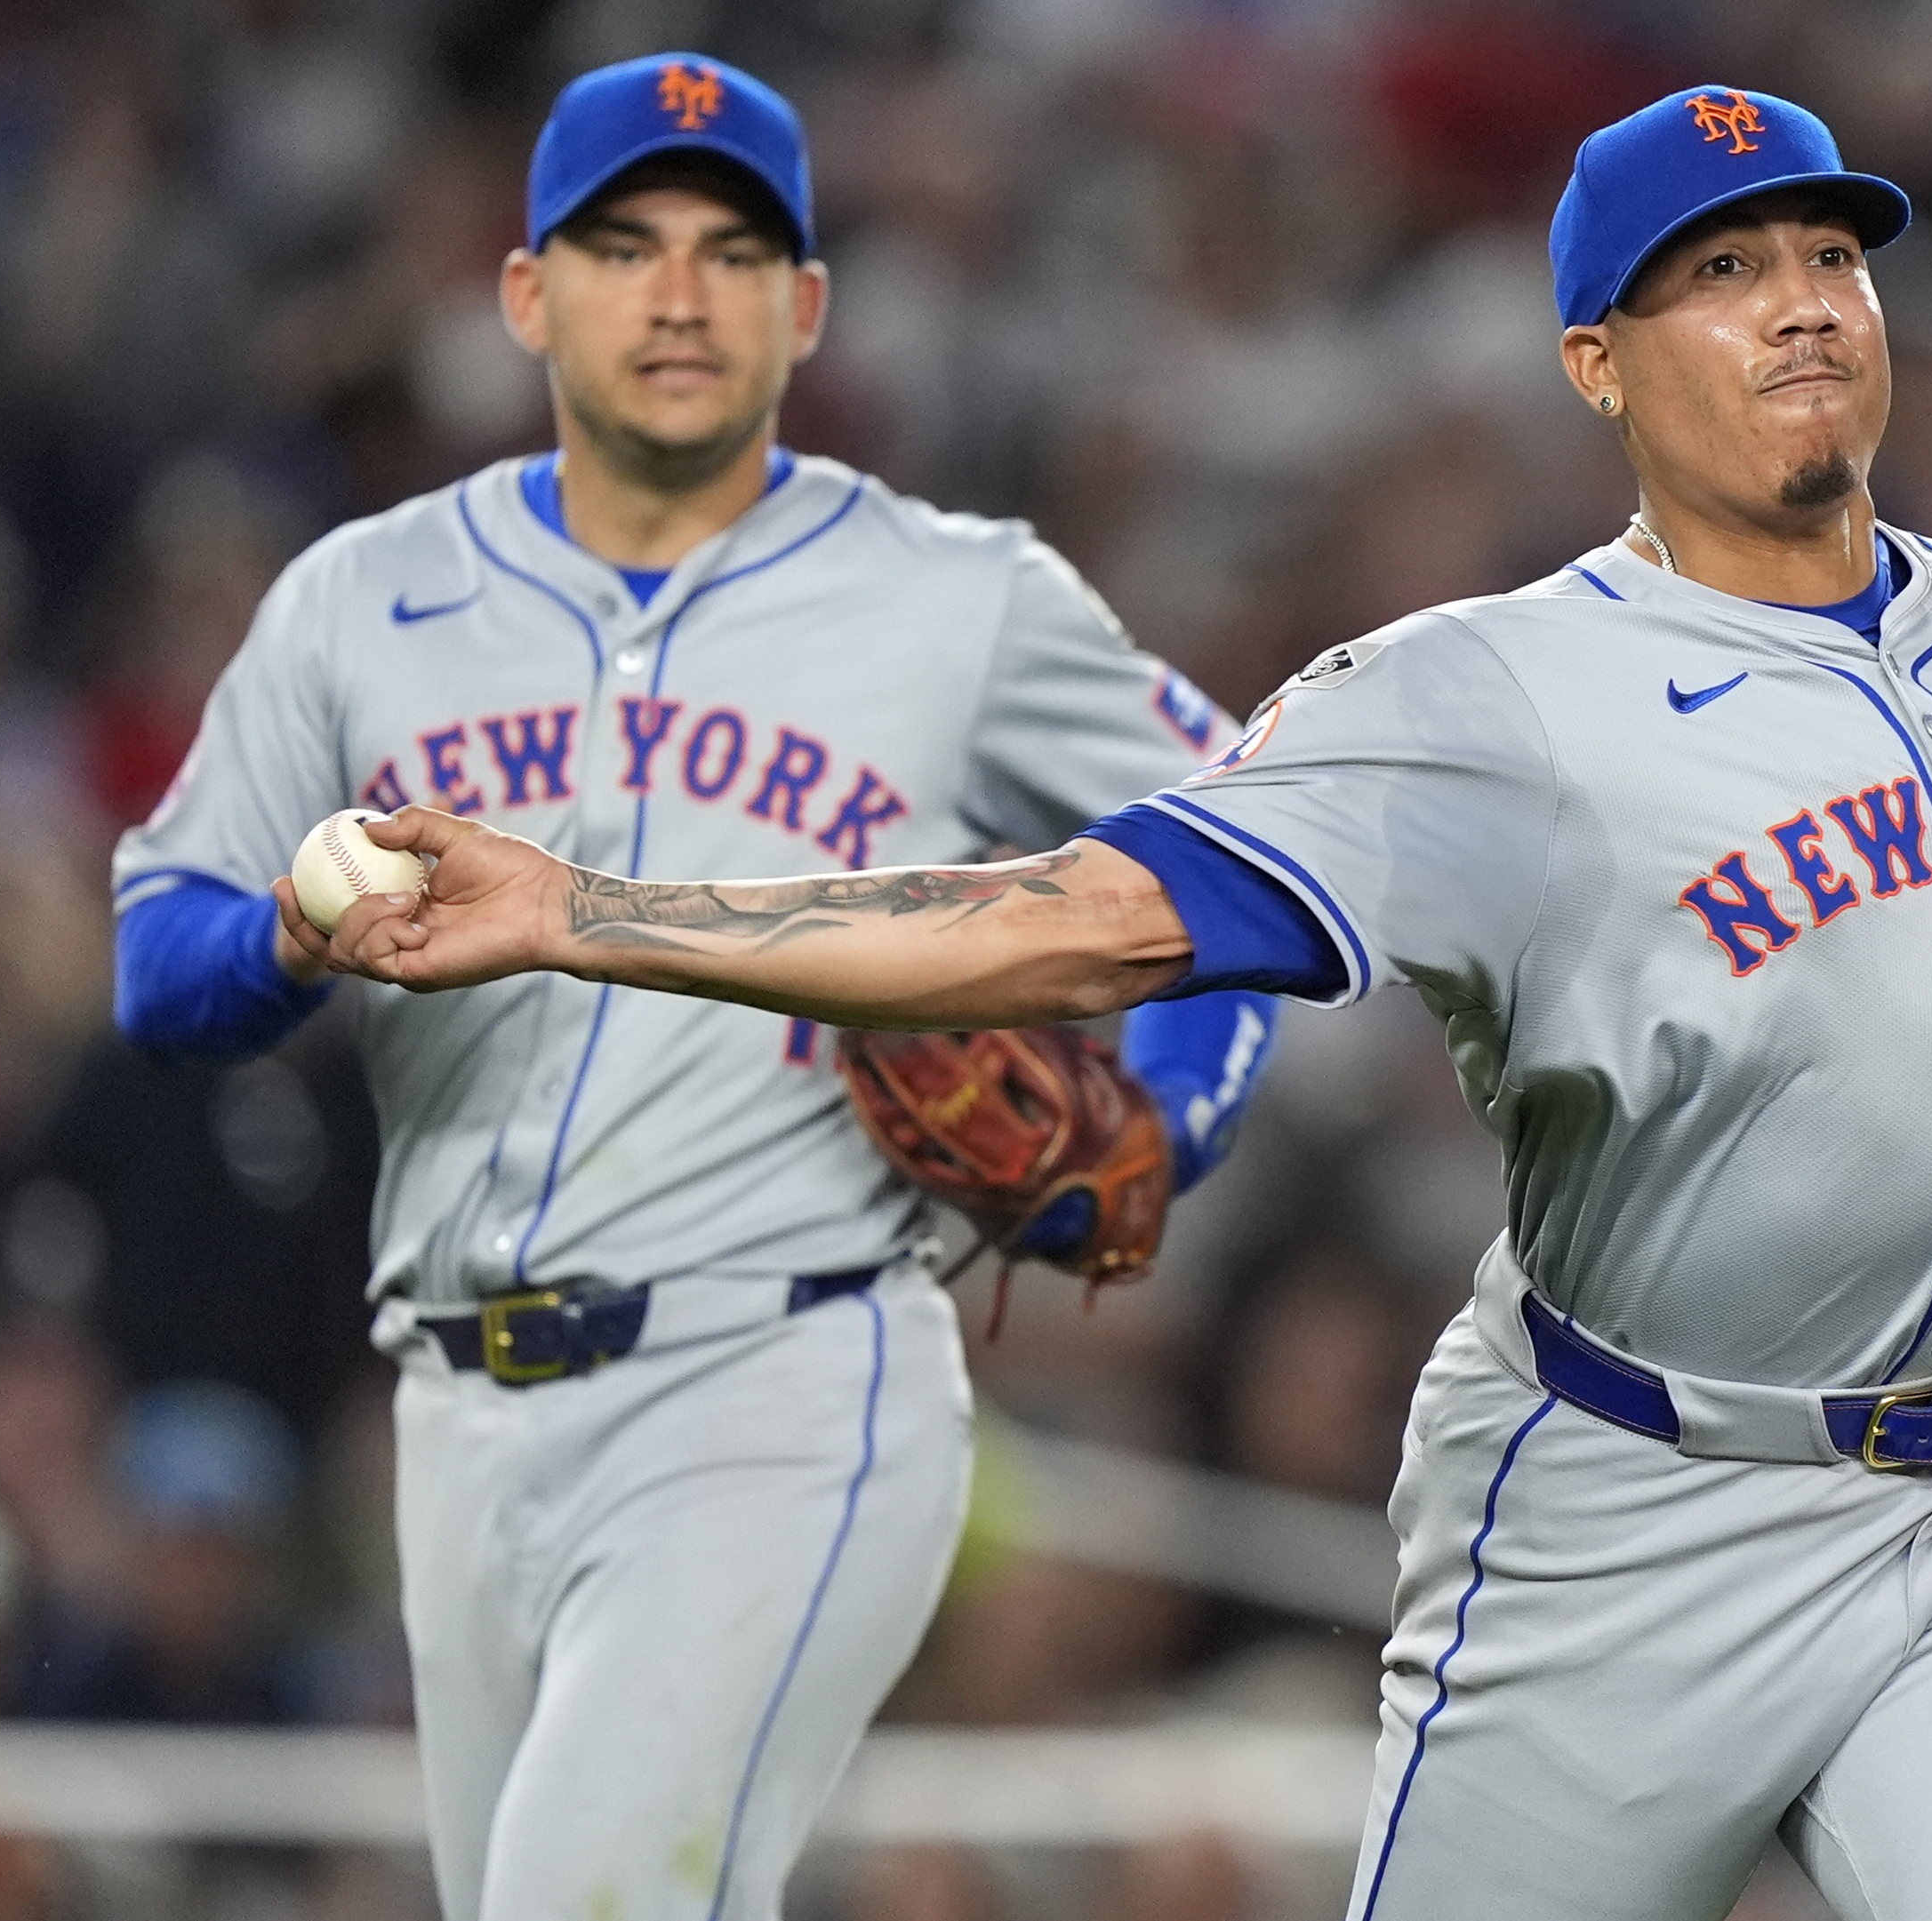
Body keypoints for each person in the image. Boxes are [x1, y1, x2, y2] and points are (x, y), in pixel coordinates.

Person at [295, 86, 1932, 1921]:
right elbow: (1069, 920)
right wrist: (587, 905)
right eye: (1722, 276)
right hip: (1619, 1509)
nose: (1802, 301)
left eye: (1825, 254)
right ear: (1598, 362)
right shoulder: (1492, 699)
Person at [108, 52, 1278, 1921]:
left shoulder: (954, 597)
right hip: (458, 1412)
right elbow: (155, 965)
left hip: (781, 1374)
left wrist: (1171, 1123)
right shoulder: (360, 598)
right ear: (524, 294)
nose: (677, 293)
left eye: (735, 252)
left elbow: (1251, 855)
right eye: (623, 243)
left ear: (806, 307)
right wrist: (280, 939)